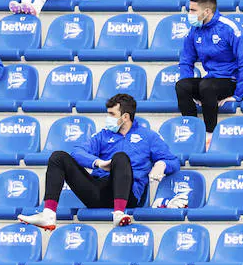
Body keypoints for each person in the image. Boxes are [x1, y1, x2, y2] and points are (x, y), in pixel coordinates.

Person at [19, 94, 180, 230]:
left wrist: (162, 164)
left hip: (128, 194)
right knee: (58, 157)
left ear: (125, 117)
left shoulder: (148, 136)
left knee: (121, 157)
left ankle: (119, 214)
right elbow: (77, 152)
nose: (107, 118)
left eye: (111, 114)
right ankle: (48, 214)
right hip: (97, 191)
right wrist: (99, 163)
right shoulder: (103, 135)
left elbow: (173, 161)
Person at [175, 0, 243, 145]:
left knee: (207, 86)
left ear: (206, 11)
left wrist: (238, 95)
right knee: (182, 86)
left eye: (193, 10)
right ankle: (193, 130)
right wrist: (194, 94)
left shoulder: (229, 28)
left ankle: (210, 133)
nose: (189, 14)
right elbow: (186, 60)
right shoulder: (194, 30)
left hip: (232, 81)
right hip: (212, 81)